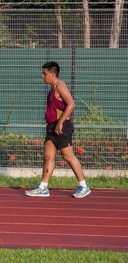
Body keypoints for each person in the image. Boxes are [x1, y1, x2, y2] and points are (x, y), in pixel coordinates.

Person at [25, 61, 90, 199]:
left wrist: (60, 123)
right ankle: (43, 187)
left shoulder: (60, 86)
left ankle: (83, 186)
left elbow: (71, 104)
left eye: (45, 73)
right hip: (52, 127)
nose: (43, 76)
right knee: (48, 157)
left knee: (68, 156)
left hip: (61, 127)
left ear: (53, 74)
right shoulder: (52, 88)